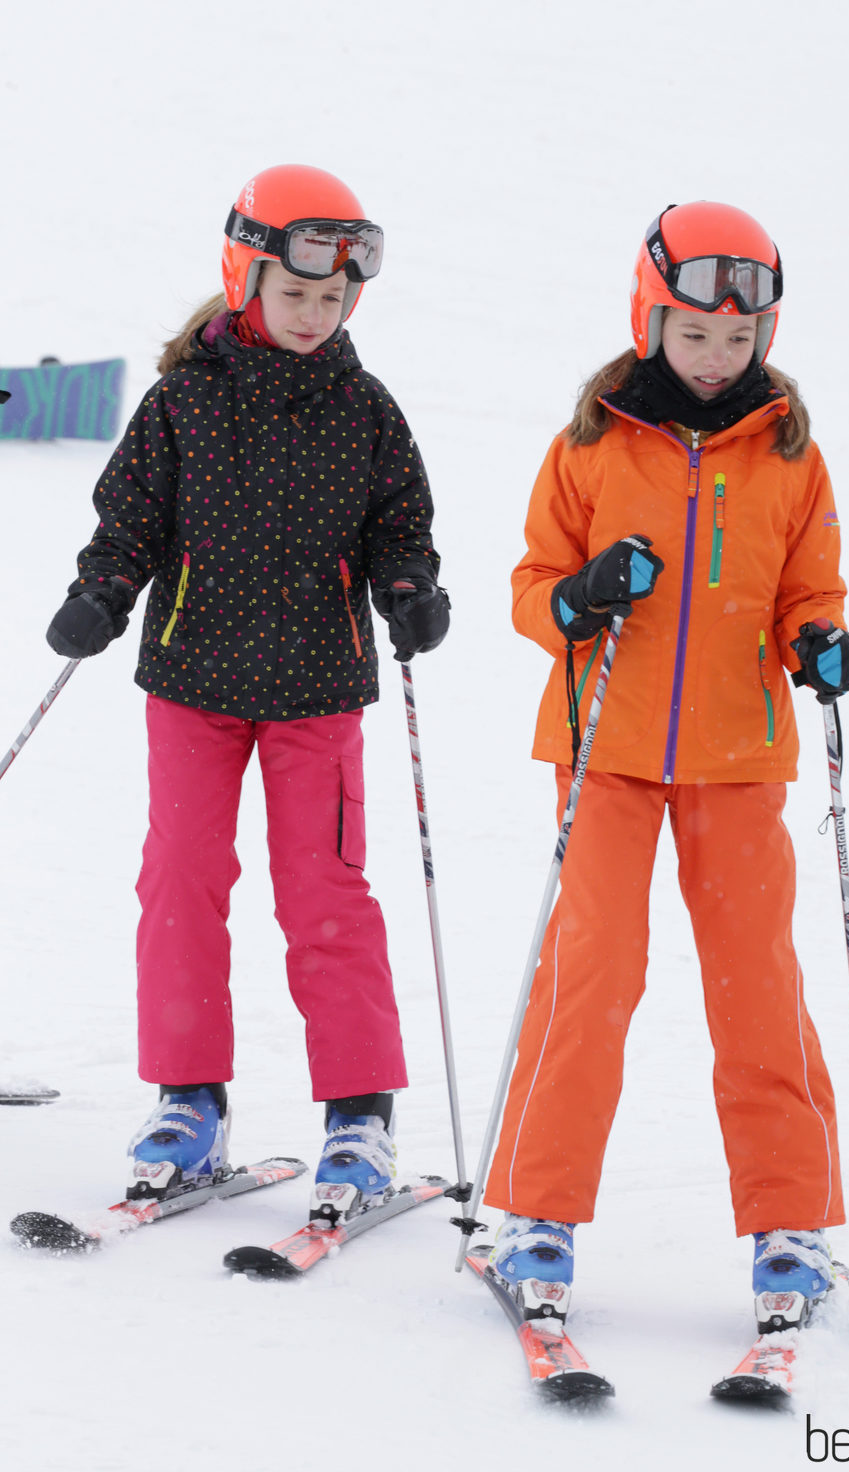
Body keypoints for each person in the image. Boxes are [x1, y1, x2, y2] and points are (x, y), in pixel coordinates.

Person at [482, 201, 849, 1333]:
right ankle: (535, 1213)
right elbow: (532, 584)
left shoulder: (788, 449)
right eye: (692, 333)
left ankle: (789, 1222)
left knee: (756, 986)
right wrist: (579, 595)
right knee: (590, 976)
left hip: (738, 757)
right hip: (603, 745)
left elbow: (812, 585)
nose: (714, 358)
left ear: (764, 334)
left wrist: (819, 643)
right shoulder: (592, 441)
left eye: (736, 339)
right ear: (651, 319)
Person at [45, 164, 450, 1223]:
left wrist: (409, 589)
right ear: (246, 277)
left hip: (317, 687)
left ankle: (358, 1113)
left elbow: (397, 524)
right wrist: (101, 591)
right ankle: (190, 1100)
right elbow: (130, 516)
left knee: (325, 895)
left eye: (333, 297)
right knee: (180, 881)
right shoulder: (183, 399)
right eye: (296, 292)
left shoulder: (364, 409)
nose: (315, 313)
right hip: (192, 679)